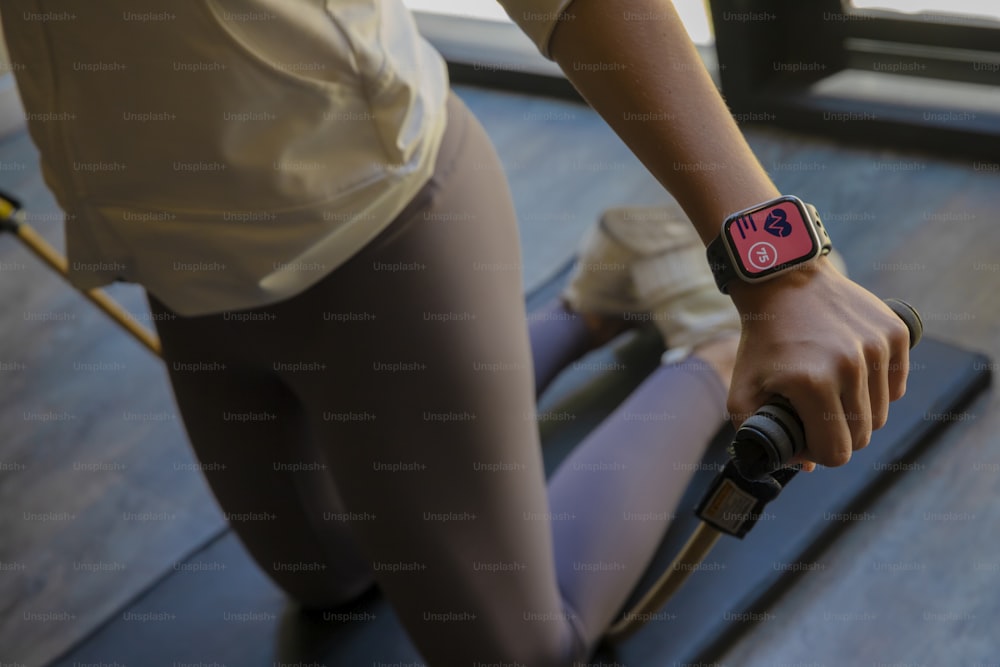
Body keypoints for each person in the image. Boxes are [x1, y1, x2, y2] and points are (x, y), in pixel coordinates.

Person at [4, 1, 910, 664]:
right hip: (171, 260)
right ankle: (597, 300)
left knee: (519, 651)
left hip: (371, 230)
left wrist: (775, 267)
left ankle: (707, 348)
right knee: (327, 574)